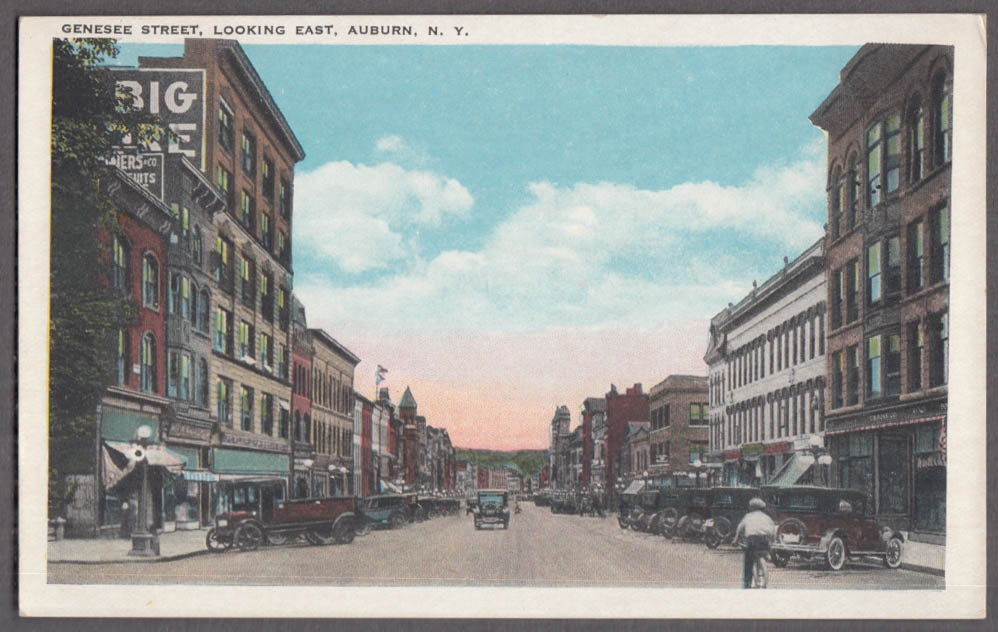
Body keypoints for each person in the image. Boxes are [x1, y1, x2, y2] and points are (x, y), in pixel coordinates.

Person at [735, 497, 776, 588]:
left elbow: (739, 528)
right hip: (764, 541)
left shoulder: (748, 516)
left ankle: (747, 583)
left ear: (751, 507)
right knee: (764, 552)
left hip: (752, 541)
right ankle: (766, 559)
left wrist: (735, 539)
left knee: (748, 561)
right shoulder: (767, 517)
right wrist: (772, 541)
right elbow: (773, 531)